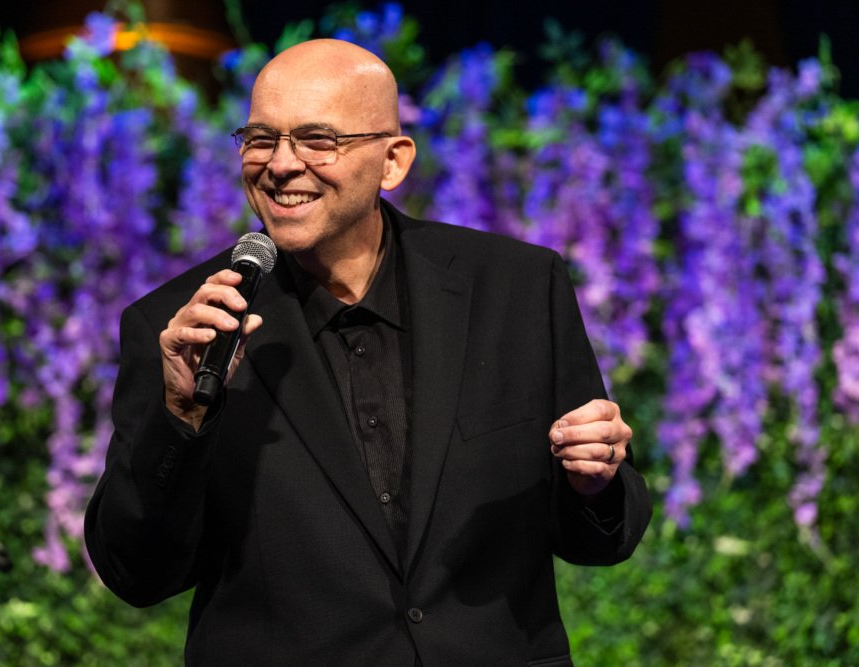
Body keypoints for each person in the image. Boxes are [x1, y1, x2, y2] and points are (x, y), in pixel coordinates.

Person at [85, 38, 651, 666]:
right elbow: (136, 573)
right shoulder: (184, 328)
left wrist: (595, 483)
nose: (281, 164)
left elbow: (603, 535)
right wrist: (182, 417)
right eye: (261, 139)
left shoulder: (517, 288)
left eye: (318, 140)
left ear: (393, 162)